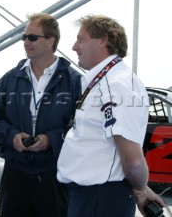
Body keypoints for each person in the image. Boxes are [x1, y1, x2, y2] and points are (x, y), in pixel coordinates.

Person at [57, 14, 165, 217]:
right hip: (92, 196)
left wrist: (140, 189)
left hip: (99, 200)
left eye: (81, 39)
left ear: (103, 40)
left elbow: (133, 162)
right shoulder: (106, 80)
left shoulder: (116, 83)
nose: (73, 47)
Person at [0, 12, 81, 217]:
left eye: (32, 37)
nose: (26, 42)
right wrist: (11, 136)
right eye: (24, 37)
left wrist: (52, 140)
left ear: (51, 40)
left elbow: (84, 128)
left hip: (55, 175)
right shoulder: (10, 79)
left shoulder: (74, 82)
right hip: (15, 174)